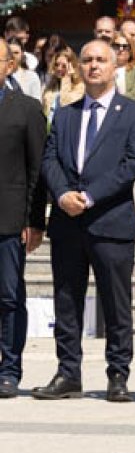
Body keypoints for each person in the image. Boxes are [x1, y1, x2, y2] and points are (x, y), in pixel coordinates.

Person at [33, 39, 135, 402]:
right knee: (66, 300)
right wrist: (63, 194)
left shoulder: (133, 114)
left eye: (101, 59)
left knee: (116, 303)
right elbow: (49, 159)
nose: (93, 65)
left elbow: (133, 164)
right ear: (78, 66)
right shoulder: (65, 114)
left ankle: (118, 374)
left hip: (110, 221)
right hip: (68, 223)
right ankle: (68, 373)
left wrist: (88, 196)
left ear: (115, 66)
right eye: (87, 60)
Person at [0, 41, 46, 397]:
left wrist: (34, 220)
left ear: (9, 66)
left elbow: (37, 170)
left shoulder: (27, 109)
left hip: (9, 218)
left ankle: (9, 369)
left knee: (9, 295)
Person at [40, 49, 84, 117]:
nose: (59, 68)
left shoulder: (80, 87)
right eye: (56, 65)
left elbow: (65, 102)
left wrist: (67, 77)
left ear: (72, 66)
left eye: (64, 66)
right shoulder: (50, 86)